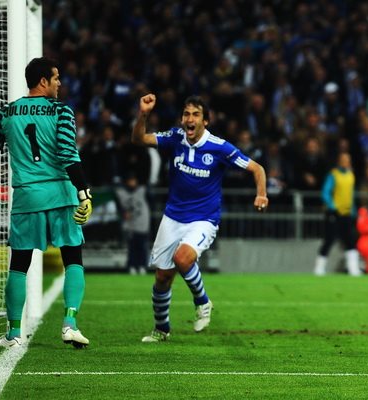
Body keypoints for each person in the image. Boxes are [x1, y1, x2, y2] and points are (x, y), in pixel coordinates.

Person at [0, 57, 93, 348]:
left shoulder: (7, 112)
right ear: (43, 81)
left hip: (27, 198)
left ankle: (14, 333)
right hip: (61, 195)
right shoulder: (61, 111)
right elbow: (68, 154)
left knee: (19, 265)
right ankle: (70, 324)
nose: (59, 83)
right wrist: (84, 192)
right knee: (73, 258)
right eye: (56, 78)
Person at [132, 94, 268, 342]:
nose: (190, 119)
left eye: (196, 114)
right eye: (186, 114)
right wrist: (143, 114)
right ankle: (161, 330)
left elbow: (257, 168)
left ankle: (203, 302)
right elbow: (139, 139)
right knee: (162, 277)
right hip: (173, 216)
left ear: (206, 121)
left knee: (182, 258)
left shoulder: (220, 147)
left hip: (203, 218)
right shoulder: (175, 137)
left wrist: (261, 194)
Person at [314, 152, 362, 276]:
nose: (346, 162)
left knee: (350, 240)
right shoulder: (333, 175)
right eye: (343, 159)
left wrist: (353, 211)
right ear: (339, 161)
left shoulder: (351, 175)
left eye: (348, 160)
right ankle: (319, 268)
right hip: (334, 213)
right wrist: (332, 207)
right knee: (329, 240)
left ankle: (353, 268)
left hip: (347, 213)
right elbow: (325, 193)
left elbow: (350, 195)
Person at [115, 173, 151, 275]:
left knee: (142, 247)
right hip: (130, 225)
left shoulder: (143, 190)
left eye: (133, 180)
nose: (132, 183)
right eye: (130, 181)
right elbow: (119, 208)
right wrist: (123, 213)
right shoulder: (121, 192)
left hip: (142, 223)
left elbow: (151, 204)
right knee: (132, 247)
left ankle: (142, 266)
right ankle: (132, 266)